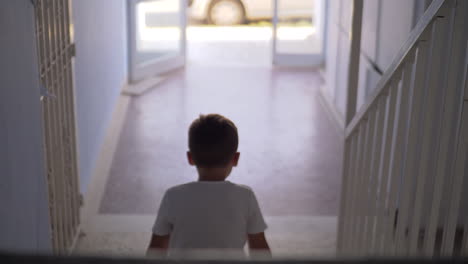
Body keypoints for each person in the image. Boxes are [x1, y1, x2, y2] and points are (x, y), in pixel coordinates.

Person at [146, 114, 271, 259]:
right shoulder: (245, 196)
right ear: (235, 159)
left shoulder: (173, 196)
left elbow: (156, 250)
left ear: (190, 158)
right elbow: (260, 250)